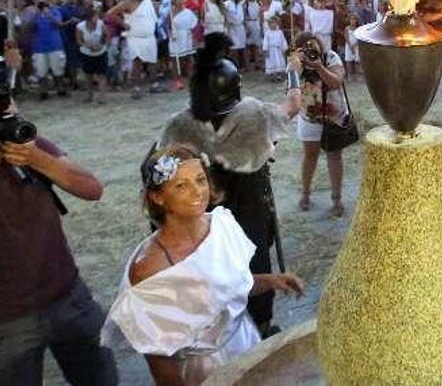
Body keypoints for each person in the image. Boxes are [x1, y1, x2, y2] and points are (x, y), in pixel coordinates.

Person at [101, 146, 304, 385]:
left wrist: (271, 281)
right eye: (180, 185)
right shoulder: (149, 270)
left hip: (248, 345)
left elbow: (227, 291)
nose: (196, 191)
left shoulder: (222, 226)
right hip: (202, 371)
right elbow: (160, 361)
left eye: (200, 180)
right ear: (158, 197)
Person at [157, 33, 297, 337]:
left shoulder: (178, 124)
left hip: (200, 222)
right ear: (236, 87)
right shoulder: (253, 112)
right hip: (248, 213)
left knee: (214, 271)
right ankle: (259, 327)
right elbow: (292, 107)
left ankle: (226, 327)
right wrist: (294, 71)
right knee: (254, 262)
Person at [0, 63, 118, 385]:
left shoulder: (30, 145)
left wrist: (38, 159)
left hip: (68, 296)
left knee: (102, 378)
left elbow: (92, 189)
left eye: (7, 101)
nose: (8, 111)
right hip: (8, 320)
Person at [289, 32, 347, 217]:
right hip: (309, 117)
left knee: (334, 155)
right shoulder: (295, 62)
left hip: (334, 116)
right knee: (310, 156)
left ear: (320, 44)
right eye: (305, 48)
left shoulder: (330, 57)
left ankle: (337, 199)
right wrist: (295, 64)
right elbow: (292, 89)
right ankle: (306, 193)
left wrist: (319, 67)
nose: (310, 50)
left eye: (313, 46)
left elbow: (336, 82)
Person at [106, 0, 159, 98]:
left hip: (149, 37)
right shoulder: (128, 3)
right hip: (135, 38)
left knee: (152, 62)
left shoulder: (148, 2)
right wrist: (123, 24)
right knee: (137, 62)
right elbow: (110, 13)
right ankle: (136, 89)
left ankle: (154, 85)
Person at [27, 0, 68, 99]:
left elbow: (59, 24)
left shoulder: (55, 11)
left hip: (55, 45)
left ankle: (61, 90)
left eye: (45, 2)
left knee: (58, 70)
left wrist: (48, 14)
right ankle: (43, 92)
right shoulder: (34, 14)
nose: (43, 5)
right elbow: (28, 27)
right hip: (39, 47)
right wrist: (36, 14)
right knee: (41, 71)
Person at [75, 7, 109, 104]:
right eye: (95, 16)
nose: (97, 18)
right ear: (89, 18)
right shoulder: (80, 26)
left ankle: (102, 96)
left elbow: (106, 36)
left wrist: (102, 45)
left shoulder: (101, 24)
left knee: (102, 75)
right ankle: (90, 95)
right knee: (88, 75)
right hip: (86, 53)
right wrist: (88, 46)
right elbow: (79, 41)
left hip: (101, 52)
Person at [169, 0, 199, 87]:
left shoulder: (188, 12)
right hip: (175, 37)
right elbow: (166, 25)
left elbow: (194, 24)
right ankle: (177, 80)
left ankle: (192, 78)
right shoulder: (170, 12)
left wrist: (194, 37)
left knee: (189, 57)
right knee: (176, 59)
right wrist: (170, 32)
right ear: (174, 1)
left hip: (187, 36)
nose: (181, 1)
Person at [225, 0, 247, 70]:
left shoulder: (241, 4)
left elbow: (242, 16)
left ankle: (241, 66)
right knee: (233, 49)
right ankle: (232, 66)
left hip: (240, 27)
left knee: (241, 48)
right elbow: (224, 14)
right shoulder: (227, 3)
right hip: (232, 27)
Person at [343, 13, 360, 78]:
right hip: (348, 45)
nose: (352, 20)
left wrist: (354, 45)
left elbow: (359, 39)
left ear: (356, 20)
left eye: (354, 19)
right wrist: (350, 45)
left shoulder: (358, 29)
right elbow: (346, 37)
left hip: (356, 46)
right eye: (351, 19)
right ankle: (350, 75)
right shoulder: (347, 28)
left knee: (357, 61)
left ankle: (357, 75)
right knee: (348, 61)